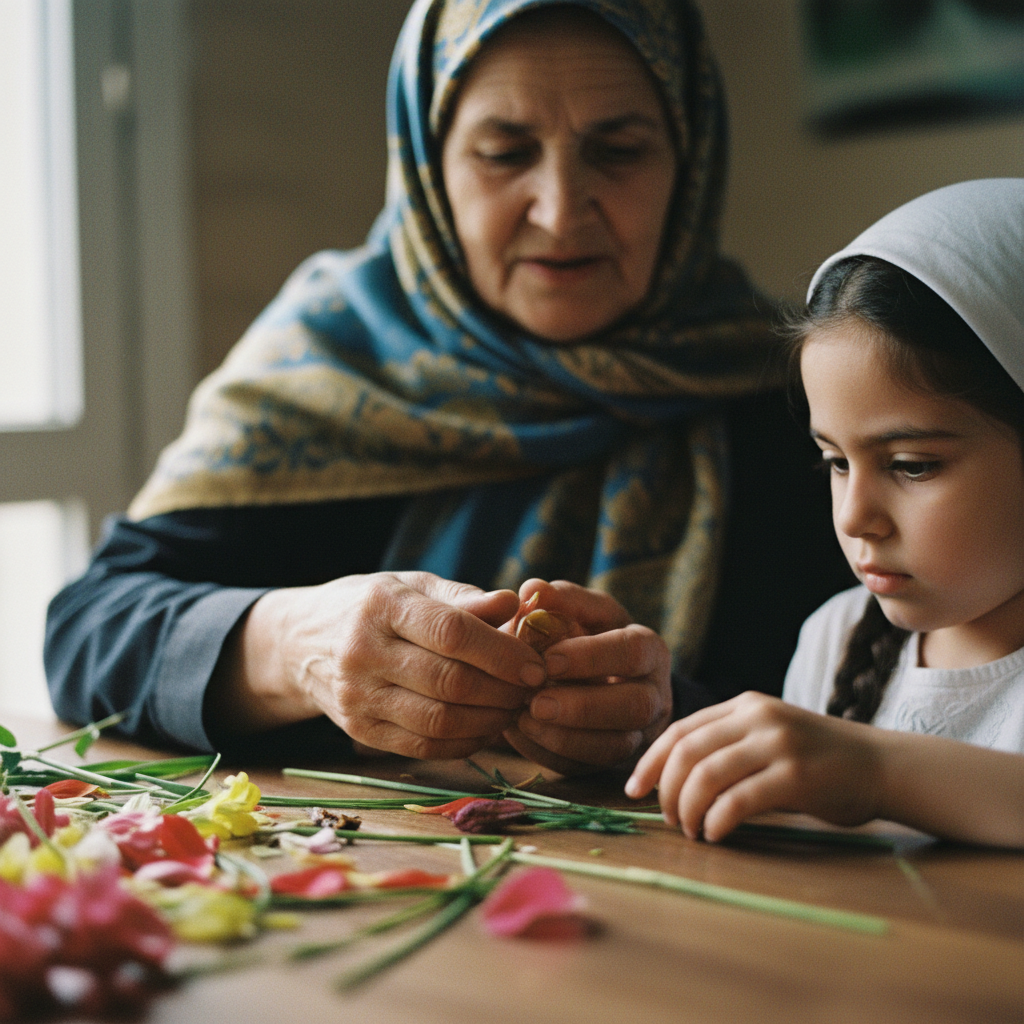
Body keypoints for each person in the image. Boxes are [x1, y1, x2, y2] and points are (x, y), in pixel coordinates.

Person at [45, 0, 848, 769]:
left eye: (619, 151)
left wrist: (667, 714)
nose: (561, 211)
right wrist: (293, 645)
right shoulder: (328, 366)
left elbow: (875, 702)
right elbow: (89, 630)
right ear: (429, 166)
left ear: (690, 161)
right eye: (504, 153)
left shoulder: (798, 397)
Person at [627, 179, 1024, 846]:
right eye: (836, 463)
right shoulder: (836, 638)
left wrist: (876, 771)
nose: (854, 516)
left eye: (911, 465)